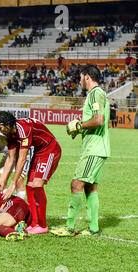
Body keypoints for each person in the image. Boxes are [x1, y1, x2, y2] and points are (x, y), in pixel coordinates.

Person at [52, 65, 110, 237]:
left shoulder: (95, 93)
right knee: (90, 188)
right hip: (99, 147)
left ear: (87, 77)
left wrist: (79, 125)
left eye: (80, 77)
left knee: (76, 184)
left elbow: (98, 120)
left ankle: (69, 227)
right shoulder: (99, 94)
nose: (79, 81)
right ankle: (93, 229)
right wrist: (81, 129)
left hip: (94, 148)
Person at [0, 111, 61, 235]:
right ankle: (34, 223)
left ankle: (42, 225)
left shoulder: (23, 129)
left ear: (7, 124)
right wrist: (3, 181)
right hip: (38, 152)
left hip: (49, 149)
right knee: (29, 186)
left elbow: (22, 159)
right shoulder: (10, 134)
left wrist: (13, 184)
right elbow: (10, 158)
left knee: (37, 185)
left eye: (0, 128)